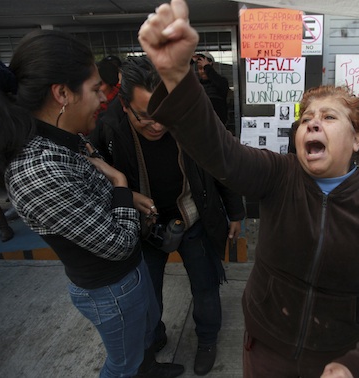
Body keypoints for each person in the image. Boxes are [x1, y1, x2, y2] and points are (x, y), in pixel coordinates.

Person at [138, 2, 359, 377]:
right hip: (267, 344)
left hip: (337, 355)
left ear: (358, 138)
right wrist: (176, 76)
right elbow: (223, 154)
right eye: (306, 119)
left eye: (329, 117)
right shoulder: (278, 174)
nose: (312, 124)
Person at [0, 30, 184, 378]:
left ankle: (149, 367)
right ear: (62, 93)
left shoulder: (64, 138)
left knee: (142, 342)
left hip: (129, 273)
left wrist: (119, 190)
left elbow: (93, 164)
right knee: (121, 365)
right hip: (111, 288)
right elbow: (119, 243)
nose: (104, 99)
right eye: (97, 88)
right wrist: (122, 185)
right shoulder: (38, 171)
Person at [90, 55, 245, 376]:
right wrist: (126, 196)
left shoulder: (194, 116)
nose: (158, 125)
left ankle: (206, 339)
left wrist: (235, 211)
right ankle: (153, 339)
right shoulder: (108, 127)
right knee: (146, 296)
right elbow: (94, 180)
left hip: (194, 216)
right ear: (124, 103)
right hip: (143, 226)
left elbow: (222, 165)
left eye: (165, 115)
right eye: (145, 117)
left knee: (205, 287)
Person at [192, 51, 229, 125]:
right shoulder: (197, 85)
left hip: (217, 125)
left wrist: (207, 67)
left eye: (204, 68)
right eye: (200, 68)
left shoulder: (221, 81)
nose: (202, 71)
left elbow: (221, 86)